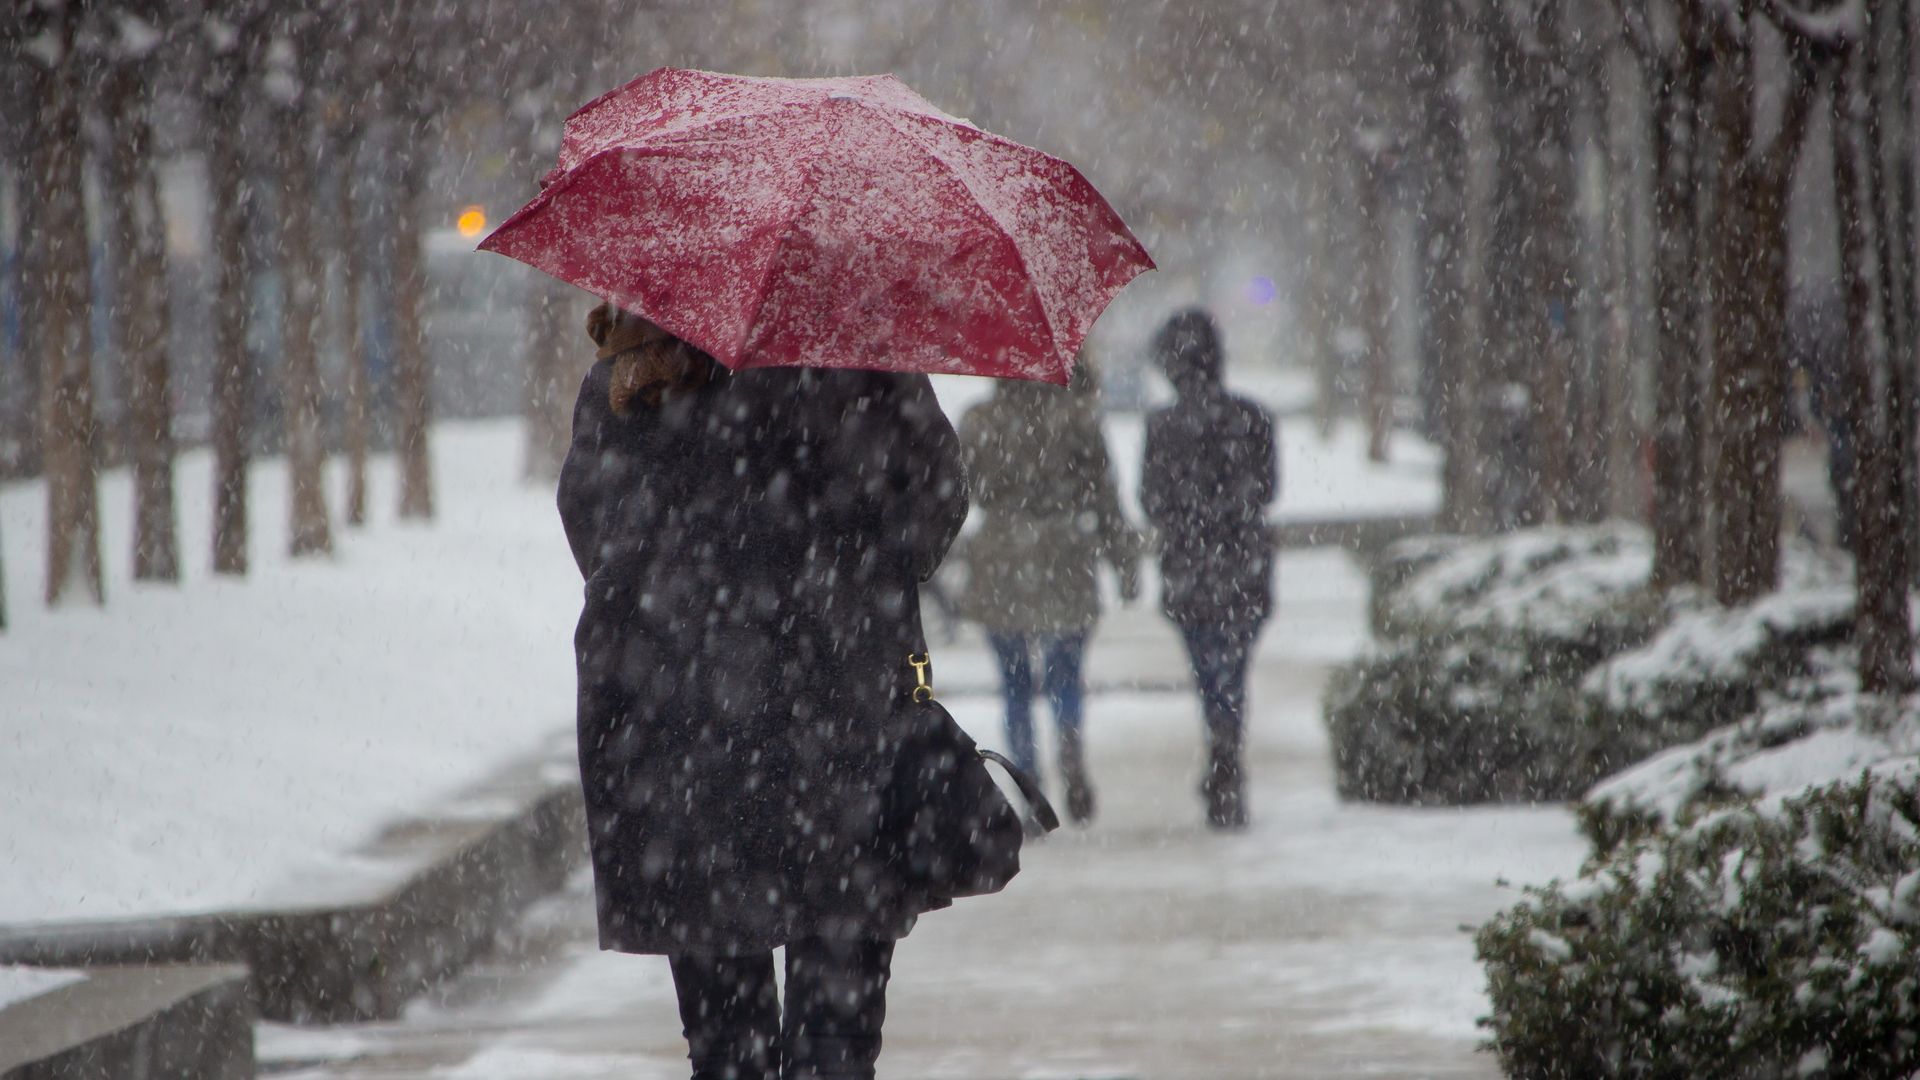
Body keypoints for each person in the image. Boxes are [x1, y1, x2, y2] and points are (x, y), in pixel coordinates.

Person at [558, 303, 969, 1080]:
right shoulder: (863, 354)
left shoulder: (637, 360)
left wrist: (687, 603)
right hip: (843, 722)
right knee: (837, 1046)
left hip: (679, 736)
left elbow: (596, 536)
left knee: (725, 1050)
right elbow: (934, 509)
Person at [954, 360, 1140, 825]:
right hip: (1067, 557)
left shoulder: (979, 422)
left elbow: (960, 493)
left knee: (1014, 685)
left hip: (1000, 560)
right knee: (1066, 676)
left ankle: (1029, 785)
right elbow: (1106, 497)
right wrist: (1125, 563)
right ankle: (1071, 753)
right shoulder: (1077, 418)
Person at [1140, 308, 1278, 830]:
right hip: (1244, 563)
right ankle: (1226, 752)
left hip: (1189, 567)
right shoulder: (1254, 417)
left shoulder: (1162, 426)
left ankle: (1221, 748)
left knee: (1208, 670)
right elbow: (1268, 490)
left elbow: (1152, 500)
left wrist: (1189, 511)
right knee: (1234, 668)